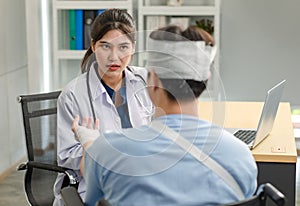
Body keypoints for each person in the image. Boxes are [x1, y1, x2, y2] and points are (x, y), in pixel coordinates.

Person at [73, 25, 258, 206]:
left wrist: (90, 143)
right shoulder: (241, 156)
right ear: (206, 81)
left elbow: (92, 197)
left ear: (152, 82)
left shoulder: (109, 151)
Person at [53, 9, 153, 206]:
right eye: (105, 46)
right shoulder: (73, 94)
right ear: (93, 46)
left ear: (133, 47)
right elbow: (66, 155)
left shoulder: (147, 81)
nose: (114, 57)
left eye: (123, 47)